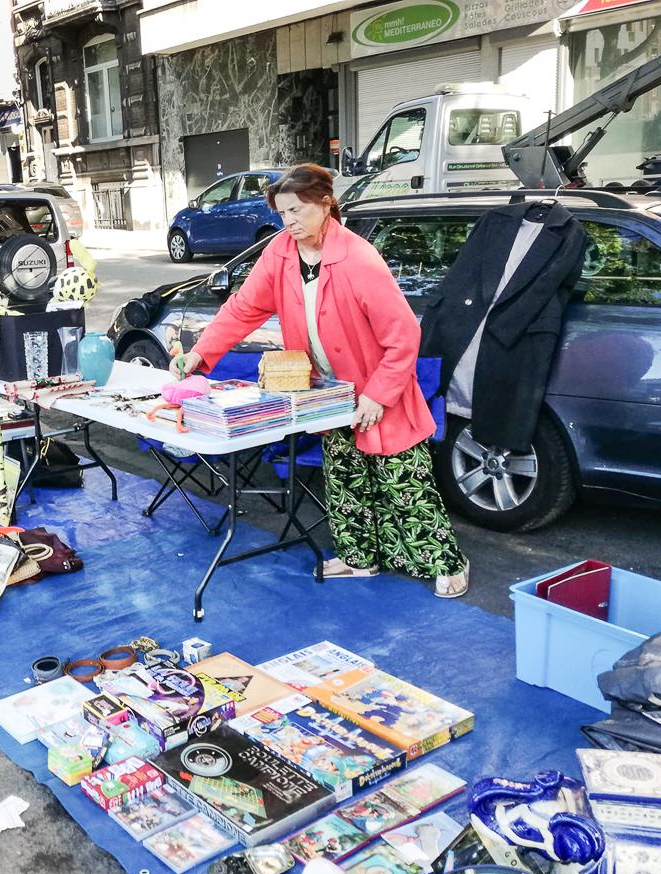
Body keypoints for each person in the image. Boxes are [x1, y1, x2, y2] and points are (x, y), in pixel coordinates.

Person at [176, 164, 469, 598]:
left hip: (378, 390)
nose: (288, 222)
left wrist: (378, 394)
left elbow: (404, 334)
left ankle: (448, 562)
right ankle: (359, 560)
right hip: (330, 393)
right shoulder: (279, 252)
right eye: (281, 213)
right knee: (346, 480)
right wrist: (202, 351)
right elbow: (243, 308)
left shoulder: (358, 259)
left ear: (325, 202)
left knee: (403, 484)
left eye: (296, 210)